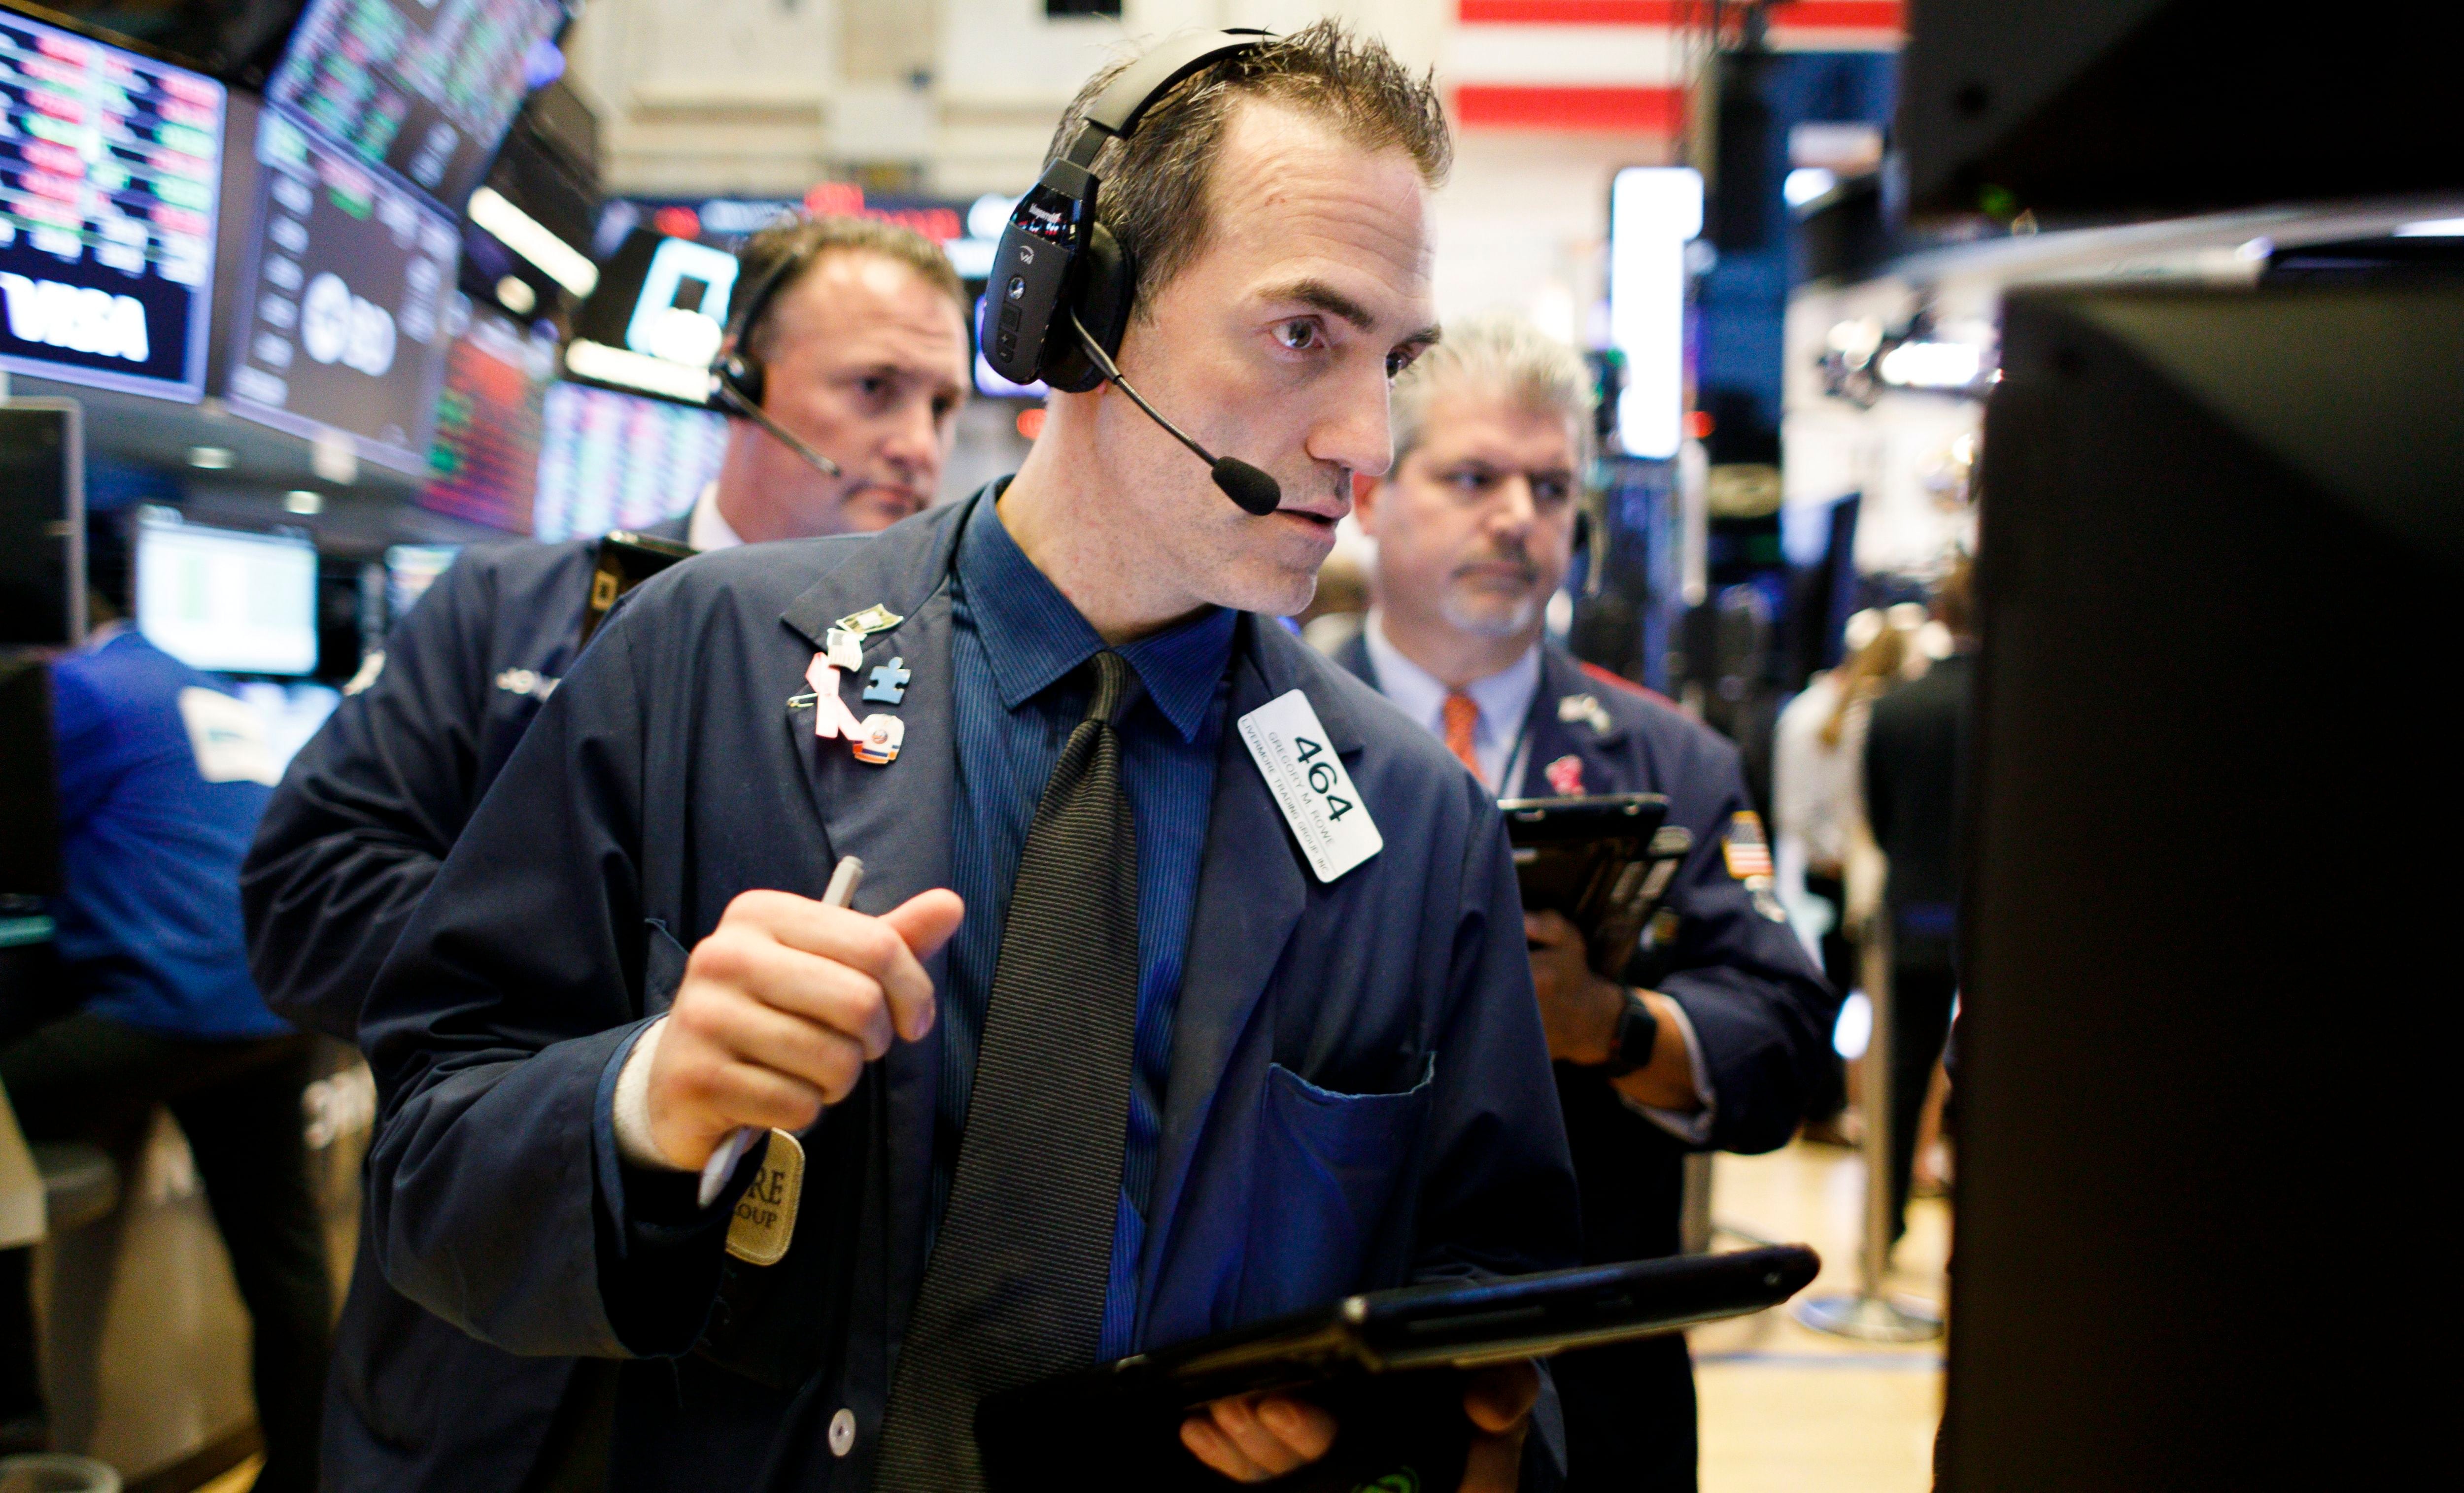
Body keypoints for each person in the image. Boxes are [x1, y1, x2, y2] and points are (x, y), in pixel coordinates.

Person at [351, 23, 1577, 1493]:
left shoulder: (1413, 819)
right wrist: (647, 1099)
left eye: (1398, 359)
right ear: (1075, 312)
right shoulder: (705, 660)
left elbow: (1494, 1290)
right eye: (1305, 333)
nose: (1364, 437)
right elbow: (428, 1164)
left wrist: (1391, 1416)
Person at [240, 213, 972, 1493]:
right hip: (481, 1340)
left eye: (942, 401)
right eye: (871, 389)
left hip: (775, 1394)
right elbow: (304, 895)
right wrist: (649, 1009)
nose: (915, 441)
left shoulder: (956, 686)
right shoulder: (511, 609)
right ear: (741, 378)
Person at [1341, 314, 1840, 1493]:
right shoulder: (1258, 731)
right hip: (1320, 1366)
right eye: (1471, 476)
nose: (1516, 516)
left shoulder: (1672, 764)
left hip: (1595, 1381)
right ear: (1370, 495)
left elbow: (1786, 1046)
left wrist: (1613, 1028)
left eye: (1551, 487)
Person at [0, 535, 330, 1490]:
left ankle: (18, 1439)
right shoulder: (193, 678)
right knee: (286, 1263)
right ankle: (305, 1473)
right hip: (272, 999)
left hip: (171, 1003)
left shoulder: (70, 695)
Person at [1861, 555, 1976, 1241]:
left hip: (1912, 912)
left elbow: (1878, 815)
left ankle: (1887, 1221)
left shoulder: (1897, 706)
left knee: (1902, 1074)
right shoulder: (2015, 705)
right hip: (1991, 921)